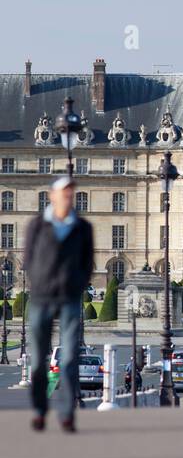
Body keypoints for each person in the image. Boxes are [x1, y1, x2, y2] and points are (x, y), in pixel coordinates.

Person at [24, 174, 94, 433]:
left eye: (70, 193)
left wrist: (77, 283)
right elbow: (28, 258)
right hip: (42, 297)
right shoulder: (37, 225)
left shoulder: (82, 227)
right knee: (38, 360)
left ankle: (66, 414)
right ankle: (40, 411)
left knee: (68, 359)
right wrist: (38, 282)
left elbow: (88, 262)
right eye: (63, 192)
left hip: (69, 298)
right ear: (51, 196)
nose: (67, 196)